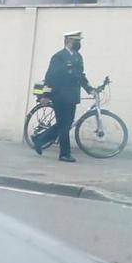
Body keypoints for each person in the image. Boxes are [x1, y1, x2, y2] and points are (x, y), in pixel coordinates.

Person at [42, 30, 95, 163]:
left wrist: (90, 89)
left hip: (72, 96)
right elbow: (50, 77)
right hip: (59, 95)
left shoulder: (78, 57)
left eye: (79, 41)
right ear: (68, 41)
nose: (78, 44)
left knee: (65, 123)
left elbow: (81, 76)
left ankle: (39, 140)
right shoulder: (58, 57)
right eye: (76, 41)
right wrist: (46, 95)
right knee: (64, 125)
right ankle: (64, 154)